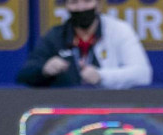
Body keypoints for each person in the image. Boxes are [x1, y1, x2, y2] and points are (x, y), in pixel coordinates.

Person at [16, 0, 152, 89]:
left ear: (98, 4)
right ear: (67, 6)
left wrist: (101, 76)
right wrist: (44, 70)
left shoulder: (119, 30)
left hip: (109, 109)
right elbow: (24, 75)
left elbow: (143, 74)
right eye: (74, 2)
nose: (81, 8)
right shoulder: (56, 36)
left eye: (87, 1)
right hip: (65, 112)